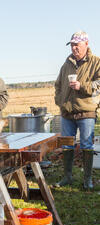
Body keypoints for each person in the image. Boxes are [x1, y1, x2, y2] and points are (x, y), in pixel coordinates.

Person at [54, 31, 100, 190]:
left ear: (86, 44)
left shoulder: (96, 62)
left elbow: (99, 86)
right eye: (72, 45)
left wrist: (82, 86)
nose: (74, 48)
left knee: (87, 144)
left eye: (77, 45)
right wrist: (60, 101)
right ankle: (67, 177)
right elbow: (58, 85)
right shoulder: (66, 64)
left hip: (86, 111)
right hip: (67, 112)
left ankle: (87, 180)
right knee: (67, 145)